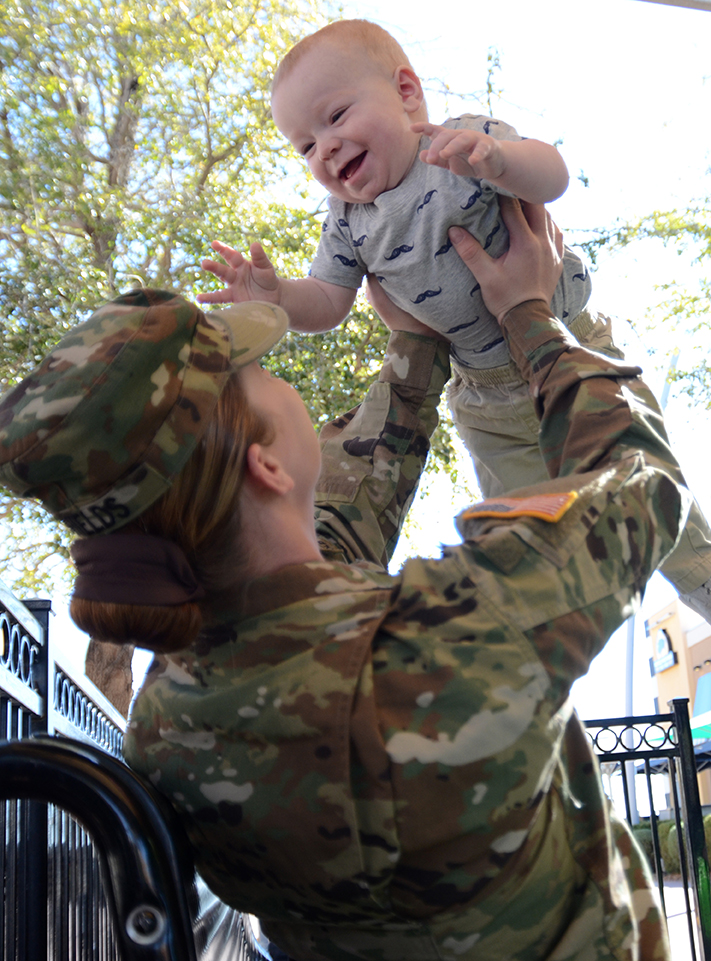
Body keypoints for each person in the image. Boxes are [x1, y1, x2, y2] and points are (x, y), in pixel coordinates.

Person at [0, 198, 685, 959]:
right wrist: (530, 314)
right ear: (264, 462)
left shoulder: (167, 724)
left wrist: (416, 335)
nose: (281, 383)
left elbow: (347, 514)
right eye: (255, 372)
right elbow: (641, 480)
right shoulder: (454, 633)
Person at [197, 17, 711, 623]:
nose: (325, 149)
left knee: (654, 501)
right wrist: (277, 295)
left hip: (575, 348)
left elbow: (553, 174)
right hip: (487, 401)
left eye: (335, 118)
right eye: (305, 146)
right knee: (530, 543)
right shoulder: (345, 221)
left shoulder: (460, 142)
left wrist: (499, 162)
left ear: (407, 93)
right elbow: (329, 304)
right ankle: (548, 638)